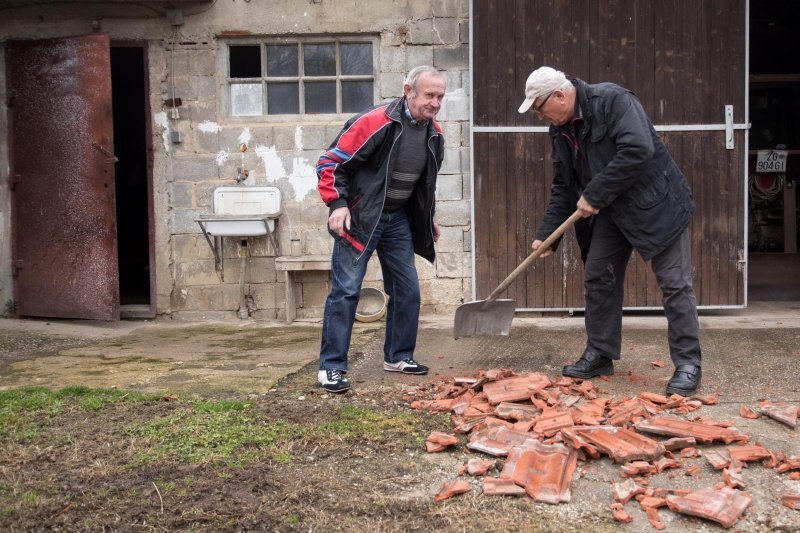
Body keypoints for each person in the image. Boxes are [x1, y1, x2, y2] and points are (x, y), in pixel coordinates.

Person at [517, 66, 702, 395]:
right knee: (598, 275)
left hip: (656, 205)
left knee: (675, 284)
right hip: (612, 213)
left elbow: (638, 150)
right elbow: (564, 185)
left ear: (559, 96)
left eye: (539, 107)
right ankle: (600, 353)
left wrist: (596, 193)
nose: (539, 114)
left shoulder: (613, 100)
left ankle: (688, 363)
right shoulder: (559, 131)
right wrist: (549, 234)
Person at [314, 65, 447, 393]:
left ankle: (399, 356)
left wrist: (426, 218)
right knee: (346, 290)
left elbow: (422, 185)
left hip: (397, 219)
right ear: (408, 91)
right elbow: (330, 163)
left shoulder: (435, 135)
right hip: (360, 218)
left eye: (440, 96)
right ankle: (331, 367)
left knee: (408, 290)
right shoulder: (376, 122)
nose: (434, 103)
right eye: (429, 95)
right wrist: (338, 204)